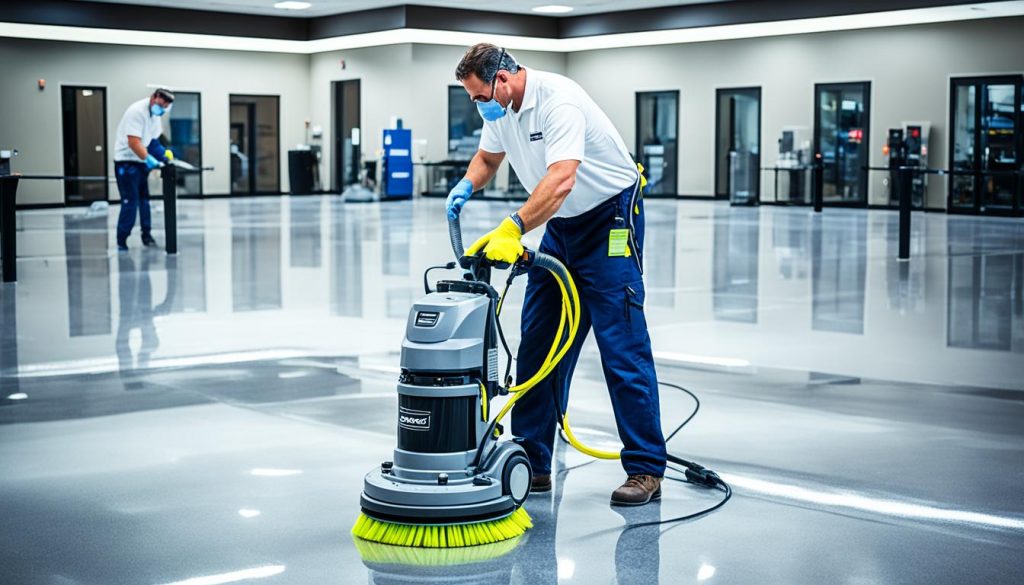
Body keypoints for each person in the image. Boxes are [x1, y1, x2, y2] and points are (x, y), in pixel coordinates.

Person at [449, 44, 667, 506]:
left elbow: (563, 177)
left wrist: (513, 226)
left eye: (478, 96)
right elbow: (488, 161)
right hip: (562, 226)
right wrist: (467, 183)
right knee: (539, 342)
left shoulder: (558, 100)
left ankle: (646, 468)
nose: (478, 105)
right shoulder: (501, 110)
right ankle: (533, 460)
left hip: (610, 218)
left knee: (621, 345)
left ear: (502, 80)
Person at [113, 88, 175, 251]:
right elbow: (134, 142)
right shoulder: (136, 112)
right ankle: (122, 240)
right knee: (130, 202)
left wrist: (164, 157)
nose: (161, 110)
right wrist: (149, 159)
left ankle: (146, 235)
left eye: (165, 108)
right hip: (126, 163)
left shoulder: (154, 115)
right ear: (154, 97)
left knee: (144, 201)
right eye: (161, 105)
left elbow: (153, 141)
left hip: (139, 162)